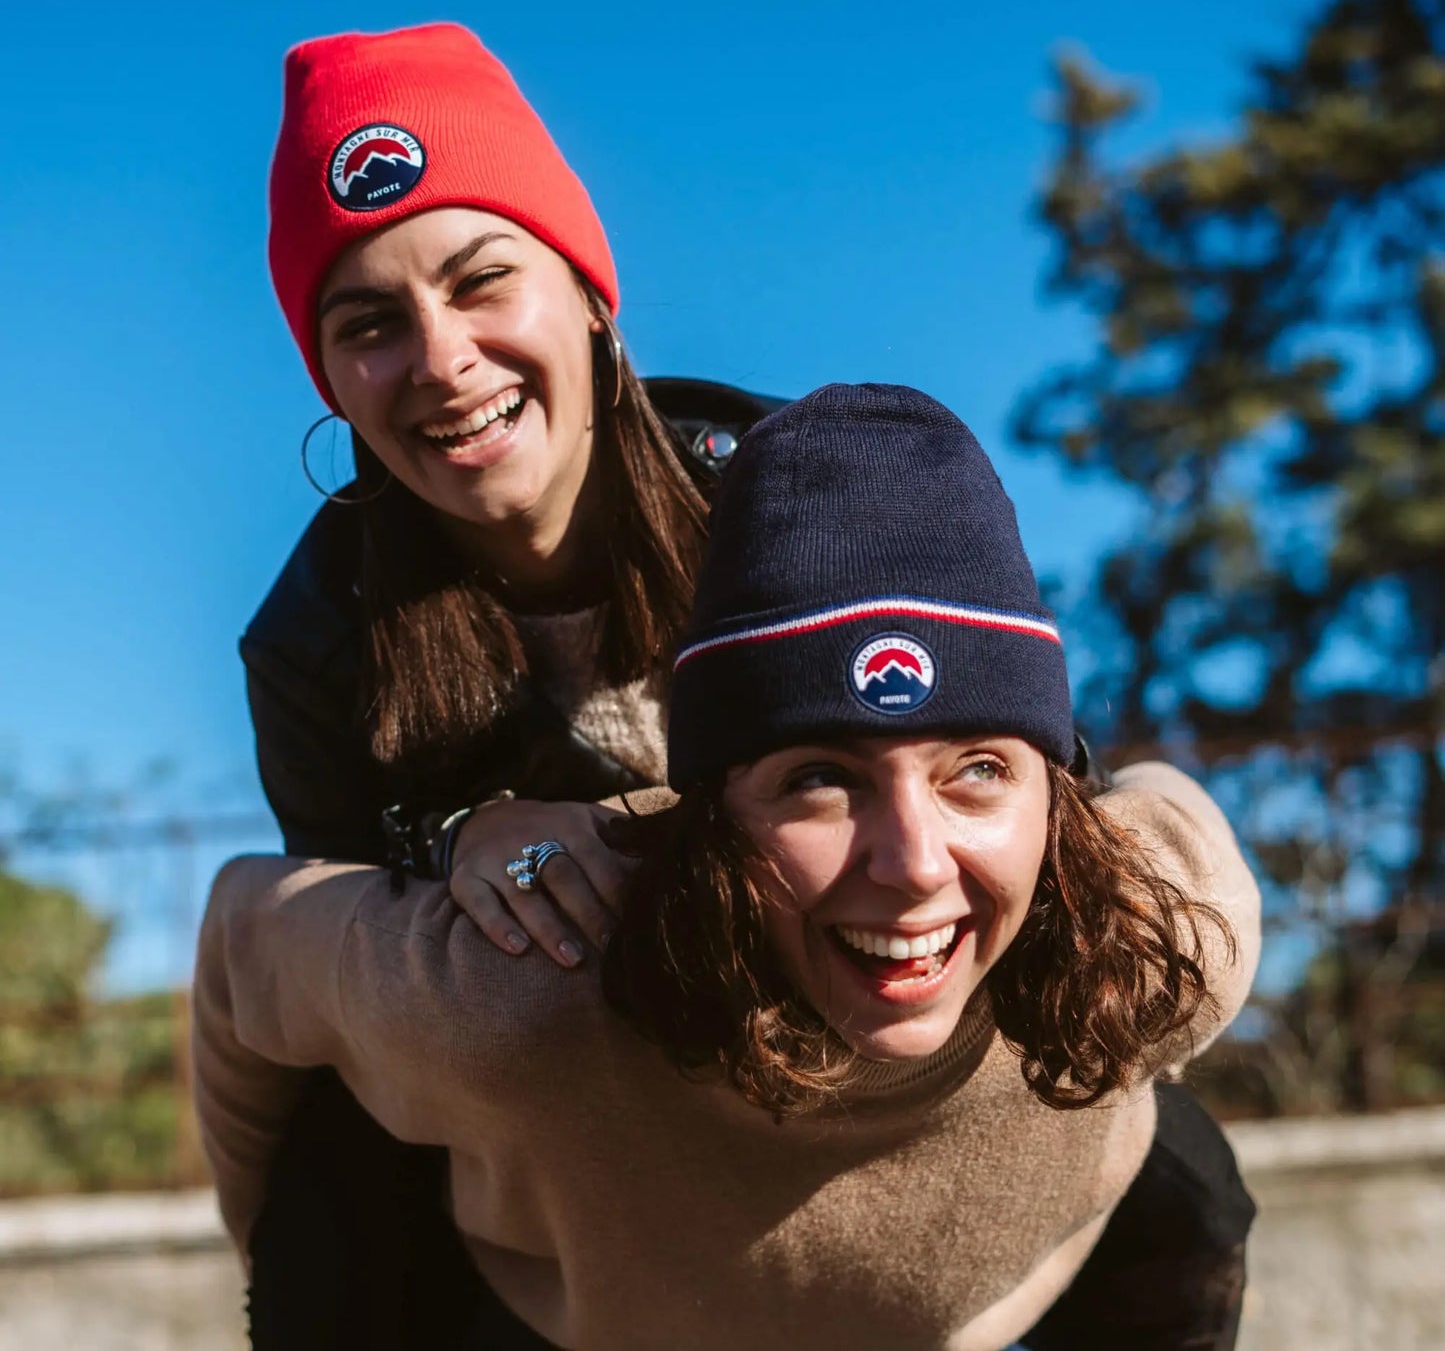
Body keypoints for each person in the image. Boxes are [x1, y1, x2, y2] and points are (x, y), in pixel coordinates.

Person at [198, 382, 1262, 1350]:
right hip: (592, 1318)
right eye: (817, 778)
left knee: (1192, 1182)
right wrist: (458, 828)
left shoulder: (1170, 917)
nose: (910, 862)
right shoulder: (525, 983)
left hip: (1024, 1285)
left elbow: (1158, 803)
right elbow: (248, 937)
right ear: (701, 817)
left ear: (1058, 793)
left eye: (977, 767)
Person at [243, 23, 784, 1344]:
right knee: (327, 1199)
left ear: (591, 296)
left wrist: (636, 834)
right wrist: (453, 832)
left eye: (483, 280)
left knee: (1174, 1183)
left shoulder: (791, 493)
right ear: (335, 385)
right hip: (556, 1111)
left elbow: (1012, 781)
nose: (439, 360)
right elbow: (347, 962)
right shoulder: (316, 636)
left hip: (848, 1019)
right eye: (370, 325)